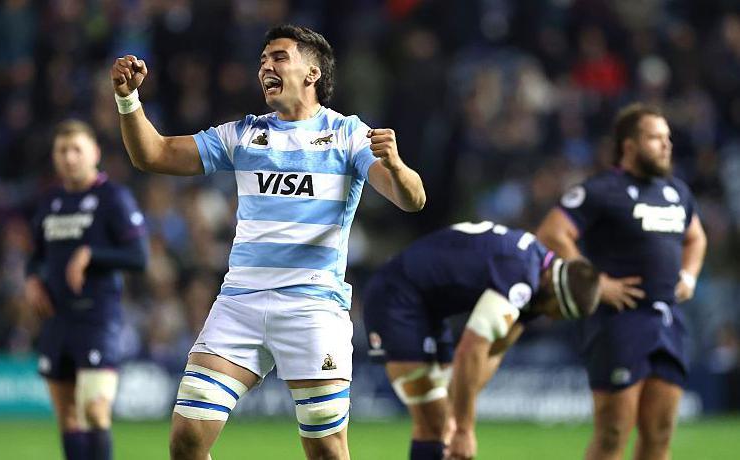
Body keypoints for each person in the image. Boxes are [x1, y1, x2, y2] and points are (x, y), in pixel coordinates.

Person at [110, 24, 426, 459]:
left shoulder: (347, 135)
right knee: (186, 439)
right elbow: (154, 153)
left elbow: (412, 199)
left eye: (278, 57)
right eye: (261, 60)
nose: (265, 66)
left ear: (312, 73)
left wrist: (396, 164)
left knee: (328, 452)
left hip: (312, 306)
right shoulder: (243, 135)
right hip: (240, 304)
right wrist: (128, 101)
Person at [536, 103, 707, 460]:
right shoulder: (602, 189)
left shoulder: (677, 192)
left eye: (667, 137)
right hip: (620, 321)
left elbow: (697, 238)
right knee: (613, 432)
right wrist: (595, 282)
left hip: (668, 320)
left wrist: (689, 275)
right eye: (655, 137)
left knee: (659, 434)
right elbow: (553, 232)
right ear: (629, 145)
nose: (666, 144)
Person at [363, 220, 602, 460]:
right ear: (555, 289)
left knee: (445, 422)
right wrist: (465, 430)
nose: (552, 318)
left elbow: (494, 351)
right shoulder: (521, 275)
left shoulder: (539, 277)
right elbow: (471, 348)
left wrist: (458, 415)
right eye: (558, 311)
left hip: (430, 309)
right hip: (396, 296)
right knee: (433, 423)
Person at [25, 120, 149, 460]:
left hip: (97, 317)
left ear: (94, 153)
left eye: (76, 149)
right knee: (67, 416)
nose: (69, 157)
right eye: (62, 150)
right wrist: (32, 279)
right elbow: (35, 255)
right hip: (56, 319)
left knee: (94, 409)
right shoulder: (51, 201)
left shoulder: (113, 197)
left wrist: (91, 254)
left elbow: (139, 257)